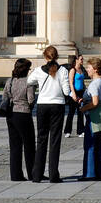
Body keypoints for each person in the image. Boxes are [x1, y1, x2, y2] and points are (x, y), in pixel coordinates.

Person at [28, 45, 72, 183]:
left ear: (45, 57)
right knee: (55, 140)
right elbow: (66, 91)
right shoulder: (63, 71)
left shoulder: (38, 71)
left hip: (42, 105)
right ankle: (53, 175)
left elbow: (29, 81)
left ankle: (37, 175)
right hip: (57, 105)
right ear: (57, 56)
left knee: (41, 139)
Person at [1, 58, 37, 182]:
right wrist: (30, 106)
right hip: (23, 114)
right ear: (26, 69)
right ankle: (33, 173)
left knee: (15, 145)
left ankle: (16, 175)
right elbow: (31, 99)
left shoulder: (9, 81)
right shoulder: (28, 82)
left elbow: (4, 97)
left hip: (10, 115)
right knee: (29, 145)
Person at [78, 56, 101, 180]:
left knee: (90, 145)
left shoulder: (94, 84)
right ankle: (99, 172)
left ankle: (90, 173)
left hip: (94, 116)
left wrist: (83, 108)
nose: (87, 69)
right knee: (98, 144)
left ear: (95, 69)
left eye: (89, 67)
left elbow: (95, 102)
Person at [64, 54, 87, 138]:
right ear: (76, 60)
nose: (82, 60)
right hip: (74, 93)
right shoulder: (72, 70)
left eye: (82, 59)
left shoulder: (81, 69)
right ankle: (67, 131)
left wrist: (85, 91)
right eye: (81, 59)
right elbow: (70, 82)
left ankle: (80, 131)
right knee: (71, 112)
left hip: (81, 92)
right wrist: (73, 93)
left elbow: (83, 82)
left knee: (81, 112)